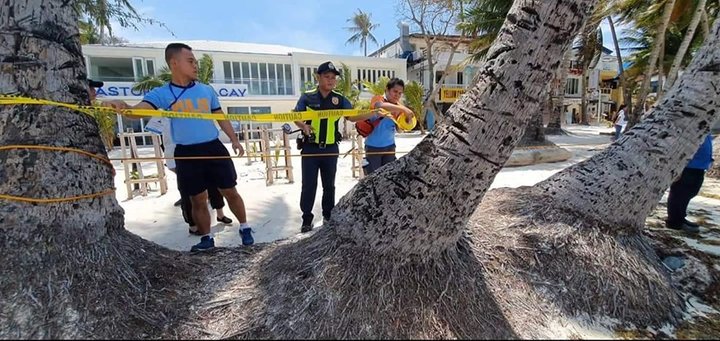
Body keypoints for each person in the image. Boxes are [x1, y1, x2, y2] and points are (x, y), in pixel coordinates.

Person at [102, 43, 253, 252]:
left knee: (230, 191)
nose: (195, 66)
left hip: (213, 148)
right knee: (197, 198)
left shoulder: (206, 90)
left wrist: (234, 139)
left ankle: (245, 228)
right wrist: (123, 107)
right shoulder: (161, 93)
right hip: (186, 152)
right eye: (190, 61)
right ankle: (206, 238)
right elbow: (138, 111)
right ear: (174, 63)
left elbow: (220, 117)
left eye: (196, 62)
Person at [293, 61, 376, 233]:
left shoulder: (339, 99)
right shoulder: (307, 97)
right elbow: (295, 115)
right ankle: (307, 219)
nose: (330, 80)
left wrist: (373, 113)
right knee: (308, 185)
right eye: (326, 77)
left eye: (333, 78)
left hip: (331, 149)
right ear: (318, 77)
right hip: (310, 148)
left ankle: (328, 215)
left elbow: (352, 117)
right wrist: (303, 126)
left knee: (329, 185)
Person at [146, 117, 234, 234]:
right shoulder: (161, 114)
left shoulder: (190, 111)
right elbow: (154, 132)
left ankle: (220, 213)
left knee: (214, 182)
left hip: (200, 151)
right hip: (175, 154)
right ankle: (193, 224)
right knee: (188, 190)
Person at [361, 78, 415, 174]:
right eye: (395, 91)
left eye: (400, 93)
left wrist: (408, 119)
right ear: (387, 89)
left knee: (389, 178)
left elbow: (400, 129)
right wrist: (403, 109)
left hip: (390, 147)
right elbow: (380, 106)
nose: (397, 95)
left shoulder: (399, 107)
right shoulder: (378, 99)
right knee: (373, 179)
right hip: (373, 147)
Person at [666, 134, 714, 233]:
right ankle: (674, 222)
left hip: (699, 167)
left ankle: (680, 218)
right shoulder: (692, 124)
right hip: (688, 166)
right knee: (680, 194)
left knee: (689, 193)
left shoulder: (705, 126)